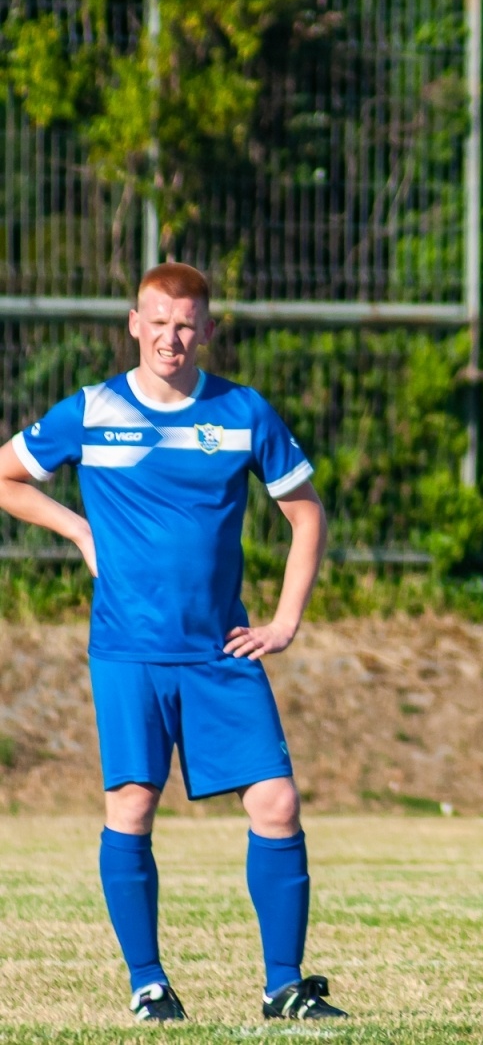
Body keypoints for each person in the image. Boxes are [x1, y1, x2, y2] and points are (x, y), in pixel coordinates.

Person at [0, 263, 349, 1023]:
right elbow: (5, 477)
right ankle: (148, 983)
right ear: (133, 323)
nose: (171, 337)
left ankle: (283, 986)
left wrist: (285, 622)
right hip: (128, 650)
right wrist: (78, 527)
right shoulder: (90, 411)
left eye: (187, 323)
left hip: (221, 649)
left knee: (278, 802)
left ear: (209, 331)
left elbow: (308, 516)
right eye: (158, 322)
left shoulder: (242, 412)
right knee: (132, 804)